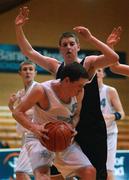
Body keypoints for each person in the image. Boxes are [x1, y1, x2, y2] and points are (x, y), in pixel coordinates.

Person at [15, 7, 119, 180]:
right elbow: (29, 52)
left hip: (90, 126)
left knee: (96, 174)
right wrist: (18, 27)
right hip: (63, 127)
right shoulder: (57, 67)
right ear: (60, 49)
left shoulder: (89, 63)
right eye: (65, 45)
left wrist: (91, 37)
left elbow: (113, 58)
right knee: (59, 175)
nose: (69, 47)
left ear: (78, 46)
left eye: (72, 44)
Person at [12, 62, 96, 180]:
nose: (81, 89)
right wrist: (34, 128)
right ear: (67, 81)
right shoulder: (42, 90)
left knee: (89, 172)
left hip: (63, 137)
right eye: (79, 85)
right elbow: (17, 112)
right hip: (39, 137)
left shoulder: (79, 92)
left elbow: (77, 114)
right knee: (42, 176)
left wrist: (72, 127)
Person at [8, 60, 37, 180]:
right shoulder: (21, 93)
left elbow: (30, 113)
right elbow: (18, 115)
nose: (28, 72)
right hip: (27, 135)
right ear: (20, 73)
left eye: (30, 69)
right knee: (22, 172)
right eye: (25, 69)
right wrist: (11, 106)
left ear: (35, 72)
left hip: (38, 135)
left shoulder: (38, 89)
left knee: (22, 171)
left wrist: (18, 109)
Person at [97, 68, 125, 180]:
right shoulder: (84, 91)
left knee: (108, 171)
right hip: (92, 135)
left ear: (103, 74)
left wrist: (112, 116)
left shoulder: (110, 91)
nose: (96, 73)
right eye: (93, 70)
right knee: (89, 171)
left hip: (108, 134)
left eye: (99, 70)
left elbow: (121, 113)